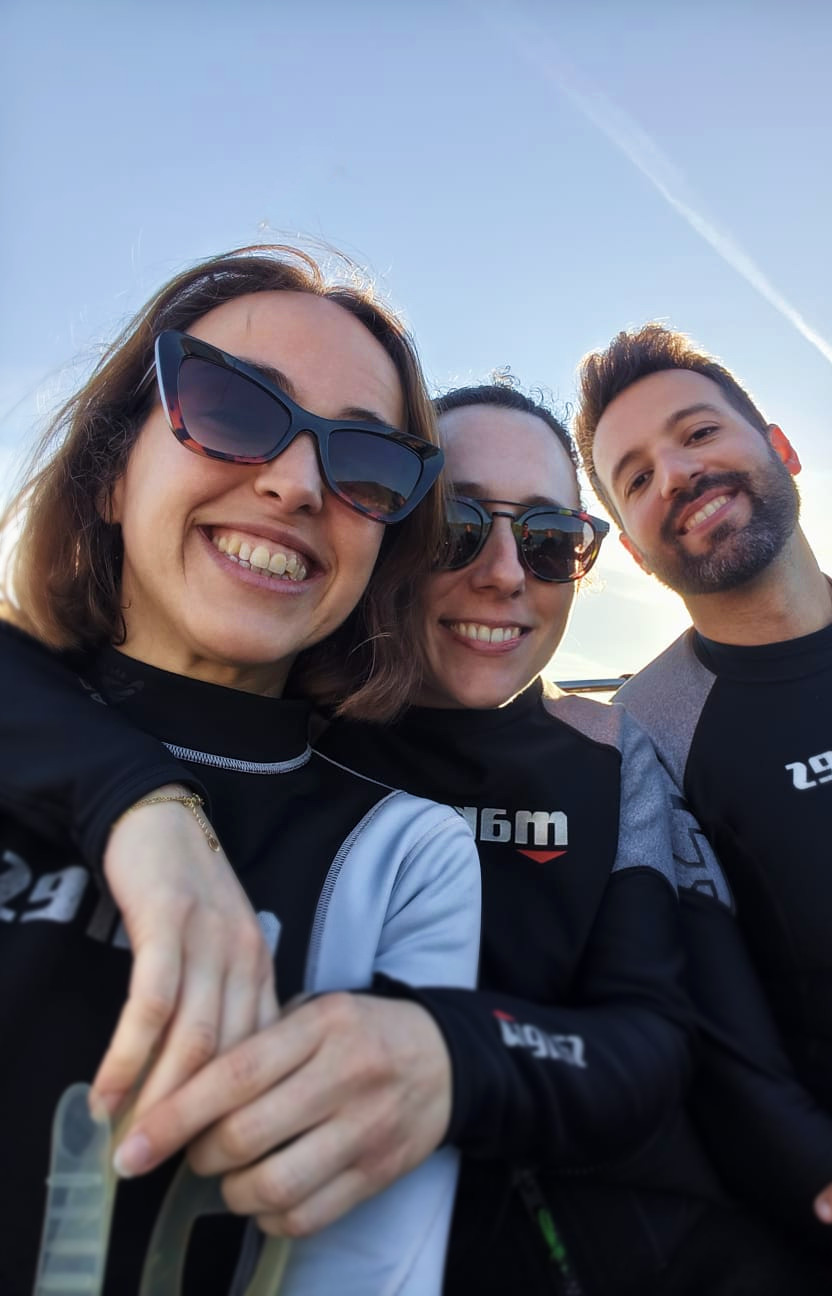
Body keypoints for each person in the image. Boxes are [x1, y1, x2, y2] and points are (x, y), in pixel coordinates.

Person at [0, 367, 832, 1293]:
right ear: (388, 536)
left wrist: (451, 1052)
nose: (501, 575)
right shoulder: (277, 720)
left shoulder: (608, 758)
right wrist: (141, 801)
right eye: (456, 528)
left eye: (548, 542)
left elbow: (654, 1044)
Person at [0, 245, 483, 1295]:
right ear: (110, 474)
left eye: (364, 462)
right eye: (229, 405)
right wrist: (137, 803)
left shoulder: (405, 856)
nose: (298, 482)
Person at [573, 322, 832, 1294]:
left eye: (699, 432)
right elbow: (728, 1062)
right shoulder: (645, 741)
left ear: (782, 450)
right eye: (634, 474)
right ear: (631, 546)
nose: (674, 471)